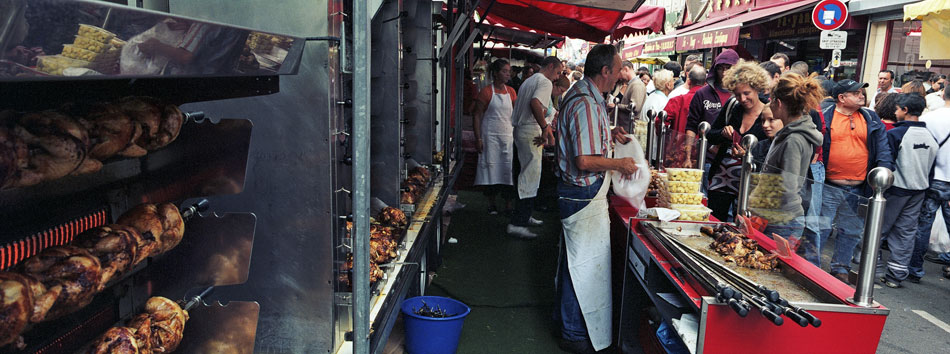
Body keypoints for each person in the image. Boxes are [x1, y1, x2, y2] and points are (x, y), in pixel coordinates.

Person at [554, 43, 636, 354]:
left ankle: (570, 327)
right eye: (616, 71)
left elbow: (586, 138)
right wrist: (620, 164)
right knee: (582, 267)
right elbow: (584, 161)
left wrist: (608, 131)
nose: (619, 76)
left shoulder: (587, 97)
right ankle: (574, 333)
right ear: (604, 72)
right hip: (581, 193)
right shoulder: (586, 103)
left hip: (578, 192)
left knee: (575, 264)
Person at [801, 79, 894, 281]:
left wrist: (885, 169)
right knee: (820, 227)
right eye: (856, 92)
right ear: (842, 98)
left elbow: (883, 148)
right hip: (829, 185)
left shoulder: (871, 118)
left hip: (860, 187)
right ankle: (810, 267)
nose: (862, 95)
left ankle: (841, 267)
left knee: (852, 230)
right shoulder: (825, 117)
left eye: (862, 92)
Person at [875, 93, 938, 288]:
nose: (895, 112)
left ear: (905, 110)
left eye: (897, 108)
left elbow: (887, 162)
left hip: (896, 189)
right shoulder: (930, 136)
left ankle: (872, 268)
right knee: (906, 232)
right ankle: (897, 273)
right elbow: (932, 168)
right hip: (919, 191)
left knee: (878, 228)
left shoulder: (896, 134)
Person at [759, 73, 825, 240]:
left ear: (779, 103)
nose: (769, 103)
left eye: (771, 100)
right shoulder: (790, 134)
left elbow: (788, 186)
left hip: (782, 219)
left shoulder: (794, 139)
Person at [705, 60, 771, 221]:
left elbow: (771, 152)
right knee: (714, 222)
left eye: (746, 93)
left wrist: (748, 155)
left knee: (742, 227)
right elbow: (710, 134)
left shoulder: (769, 114)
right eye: (737, 94)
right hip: (721, 179)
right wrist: (723, 133)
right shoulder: (732, 107)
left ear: (757, 88)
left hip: (749, 182)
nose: (742, 98)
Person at [508, 56, 563, 239]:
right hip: (529, 129)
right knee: (529, 176)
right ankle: (518, 222)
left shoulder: (529, 80)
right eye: (557, 72)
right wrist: (545, 127)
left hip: (521, 130)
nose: (557, 77)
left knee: (526, 174)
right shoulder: (544, 82)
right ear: (550, 66)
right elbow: (535, 104)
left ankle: (524, 215)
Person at [910, 88, 950, 281]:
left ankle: (915, 268)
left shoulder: (931, 118)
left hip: (933, 177)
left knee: (924, 224)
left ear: (943, 95)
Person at [472, 59, 518, 215]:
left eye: (508, 71)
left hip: (507, 137)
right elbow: (477, 116)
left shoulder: (511, 92)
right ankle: (491, 204)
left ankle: (508, 205)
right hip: (490, 137)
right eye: (505, 71)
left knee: (507, 170)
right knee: (491, 170)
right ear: (496, 73)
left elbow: (516, 114)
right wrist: (478, 138)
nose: (507, 74)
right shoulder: (486, 92)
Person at [666, 66, 707, 135]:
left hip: (679, 142)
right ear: (705, 83)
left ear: (689, 82)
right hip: (702, 144)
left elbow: (660, 121)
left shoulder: (677, 100)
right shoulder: (711, 101)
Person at [616, 61, 647, 131]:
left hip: (629, 128)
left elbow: (635, 108)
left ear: (626, 69)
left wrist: (617, 106)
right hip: (626, 127)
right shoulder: (632, 83)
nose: (619, 76)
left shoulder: (637, 84)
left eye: (619, 72)